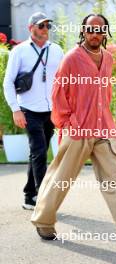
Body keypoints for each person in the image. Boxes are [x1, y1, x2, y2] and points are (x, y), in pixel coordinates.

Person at [31, 14, 116, 249]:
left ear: (105, 32)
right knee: (61, 179)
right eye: (91, 29)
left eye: (100, 30)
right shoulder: (71, 58)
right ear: (83, 31)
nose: (95, 34)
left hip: (104, 129)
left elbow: (105, 94)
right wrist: (67, 123)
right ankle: (43, 219)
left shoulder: (108, 59)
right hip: (78, 129)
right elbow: (59, 93)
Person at [3, 12, 64, 210]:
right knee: (39, 151)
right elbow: (8, 82)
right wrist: (15, 110)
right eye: (41, 26)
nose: (45, 30)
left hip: (51, 111)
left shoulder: (56, 50)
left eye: (48, 26)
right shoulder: (19, 51)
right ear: (31, 28)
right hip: (28, 110)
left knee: (38, 152)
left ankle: (29, 196)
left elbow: (63, 81)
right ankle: (44, 200)